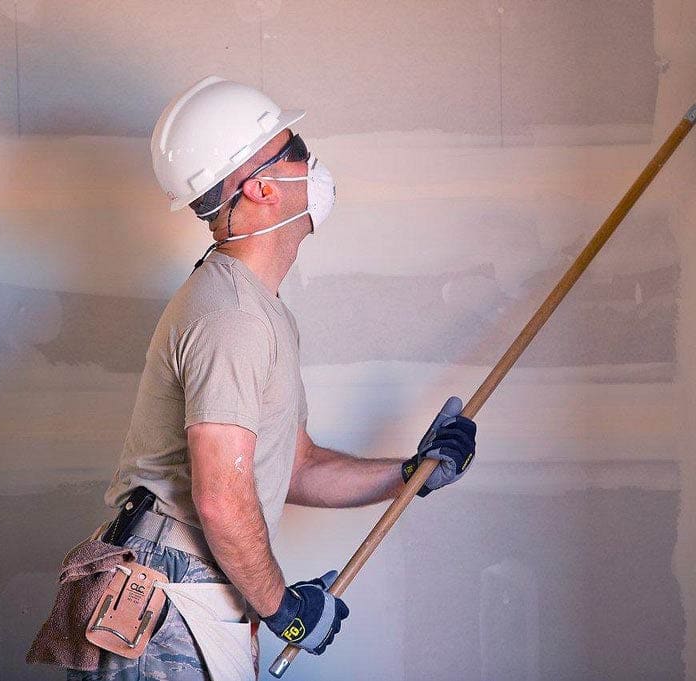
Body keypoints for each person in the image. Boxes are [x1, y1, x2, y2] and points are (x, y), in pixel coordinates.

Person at [75, 76, 477, 680]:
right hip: (174, 593)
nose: (312, 164)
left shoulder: (254, 309)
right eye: (298, 151)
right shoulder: (232, 317)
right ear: (260, 187)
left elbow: (296, 467)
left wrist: (412, 473)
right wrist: (285, 609)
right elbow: (220, 497)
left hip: (195, 584)